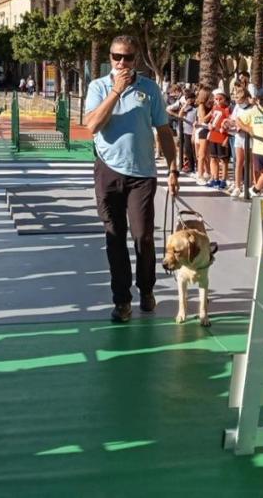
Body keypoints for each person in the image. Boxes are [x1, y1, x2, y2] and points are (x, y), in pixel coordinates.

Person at [84, 36, 178, 323]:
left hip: (142, 174)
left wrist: (173, 168)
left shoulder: (149, 89)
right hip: (109, 171)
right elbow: (92, 125)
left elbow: (164, 131)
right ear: (110, 58)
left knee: (143, 236)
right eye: (116, 57)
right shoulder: (98, 87)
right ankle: (122, 300)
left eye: (127, 57)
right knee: (115, 237)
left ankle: (146, 288)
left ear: (136, 59)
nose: (121, 62)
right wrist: (116, 91)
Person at [236, 88, 263, 197]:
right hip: (258, 148)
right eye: (260, 99)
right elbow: (238, 120)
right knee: (261, 172)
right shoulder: (254, 111)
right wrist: (247, 129)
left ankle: (256, 189)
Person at [204, 90, 232, 189]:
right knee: (213, 158)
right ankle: (215, 178)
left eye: (220, 99)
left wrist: (227, 137)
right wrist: (209, 124)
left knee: (223, 159)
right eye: (216, 99)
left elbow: (230, 123)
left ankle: (223, 179)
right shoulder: (214, 108)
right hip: (213, 136)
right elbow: (211, 119)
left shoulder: (227, 109)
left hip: (222, 137)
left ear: (225, 99)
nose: (218, 101)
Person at [228, 88, 253, 197]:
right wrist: (230, 124)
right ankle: (237, 186)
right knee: (239, 161)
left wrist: (243, 126)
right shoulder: (237, 107)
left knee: (249, 162)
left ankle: (249, 185)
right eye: (235, 97)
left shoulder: (252, 108)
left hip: (249, 137)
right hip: (239, 136)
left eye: (238, 98)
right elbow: (233, 120)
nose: (236, 99)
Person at [194, 86, 213, 185]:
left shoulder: (210, 104)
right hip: (202, 130)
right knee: (202, 154)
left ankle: (208, 173)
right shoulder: (201, 106)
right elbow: (203, 119)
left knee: (208, 154)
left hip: (209, 130)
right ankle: (200, 175)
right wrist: (212, 112)